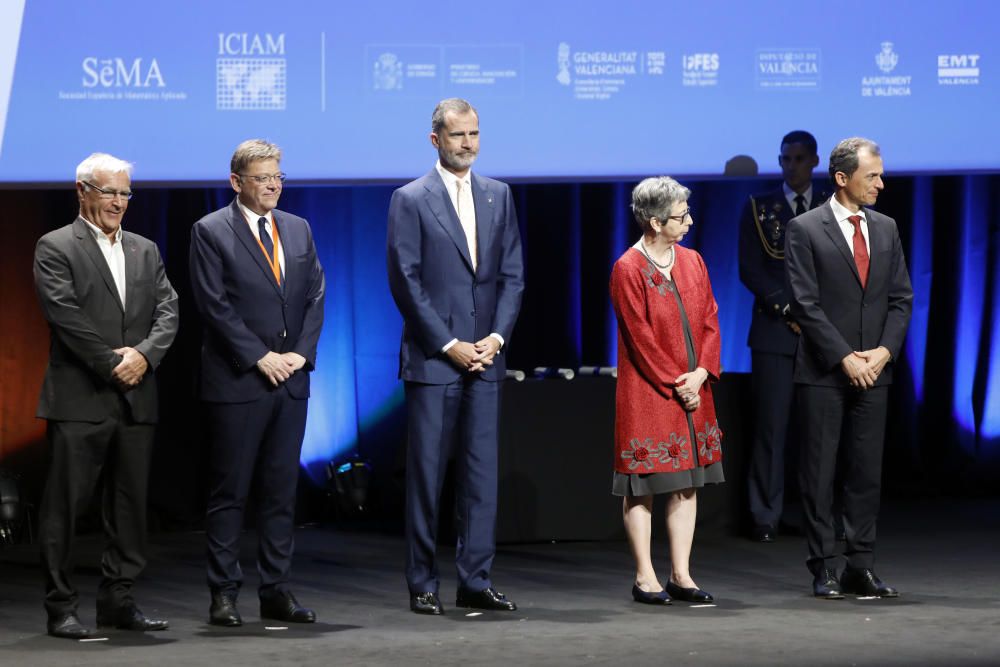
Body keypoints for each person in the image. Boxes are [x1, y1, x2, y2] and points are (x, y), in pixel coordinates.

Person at [386, 98, 525, 615]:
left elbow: (512, 275)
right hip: (434, 359)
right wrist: (449, 344)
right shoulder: (410, 198)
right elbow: (406, 280)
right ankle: (423, 582)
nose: (467, 143)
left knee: (480, 475)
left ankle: (475, 579)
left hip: (486, 358)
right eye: (457, 135)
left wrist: (495, 338)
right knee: (427, 477)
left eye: (474, 134)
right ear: (435, 140)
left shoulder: (499, 195)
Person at [33, 153, 178, 638]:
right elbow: (65, 315)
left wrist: (144, 356)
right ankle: (61, 606)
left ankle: (118, 601)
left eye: (125, 193)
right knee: (65, 511)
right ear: (82, 191)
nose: (118, 201)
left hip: (137, 399)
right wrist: (114, 363)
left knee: (129, 509)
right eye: (109, 191)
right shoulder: (55, 246)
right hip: (80, 400)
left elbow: (168, 311)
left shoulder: (145, 249)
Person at [189, 139, 325, 626]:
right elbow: (213, 305)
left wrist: (298, 356)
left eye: (277, 177)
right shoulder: (211, 230)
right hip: (238, 382)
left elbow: (314, 295)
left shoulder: (298, 228)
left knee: (280, 491)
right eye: (262, 178)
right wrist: (258, 357)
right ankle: (223, 593)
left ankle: (276, 589)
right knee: (230, 492)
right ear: (236, 182)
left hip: (290, 380)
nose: (272, 185)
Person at [785, 137, 913, 599]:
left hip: (876, 371)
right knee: (819, 473)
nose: (881, 182)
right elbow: (805, 303)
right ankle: (824, 566)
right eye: (872, 175)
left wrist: (883, 353)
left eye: (880, 174)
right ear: (842, 179)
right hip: (824, 371)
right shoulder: (805, 228)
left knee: (865, 472)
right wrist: (844, 357)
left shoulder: (886, 227)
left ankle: (861, 565)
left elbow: (901, 298)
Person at [609, 176, 723, 605]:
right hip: (650, 393)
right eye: (680, 216)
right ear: (654, 222)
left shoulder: (693, 261)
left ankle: (682, 574)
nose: (689, 222)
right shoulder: (628, 269)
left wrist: (701, 374)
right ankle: (645, 577)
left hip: (693, 389)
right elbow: (640, 340)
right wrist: (679, 383)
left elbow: (711, 319)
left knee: (685, 484)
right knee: (642, 486)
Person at [739, 130, 830, 543]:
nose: (791, 166)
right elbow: (750, 269)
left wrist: (812, 316)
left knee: (818, 433)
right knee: (771, 430)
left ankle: (817, 515)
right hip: (775, 332)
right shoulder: (760, 207)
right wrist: (789, 310)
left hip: (822, 337)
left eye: (798, 159)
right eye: (785, 159)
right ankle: (765, 515)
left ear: (814, 161)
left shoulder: (833, 206)